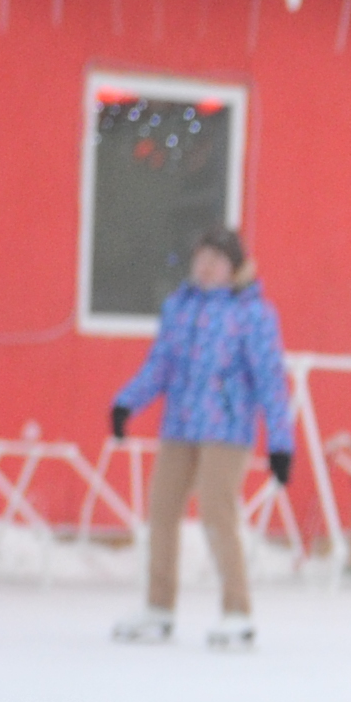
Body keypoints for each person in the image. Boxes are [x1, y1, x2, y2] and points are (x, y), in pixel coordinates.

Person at [105, 226, 294, 652]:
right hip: (180, 426)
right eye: (201, 259)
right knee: (162, 511)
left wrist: (281, 442)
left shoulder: (253, 314)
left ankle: (237, 611)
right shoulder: (180, 308)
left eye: (216, 260)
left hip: (225, 431)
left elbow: (270, 381)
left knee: (217, 514)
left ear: (234, 267)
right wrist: (126, 403)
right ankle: (158, 607)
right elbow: (159, 366)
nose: (206, 267)